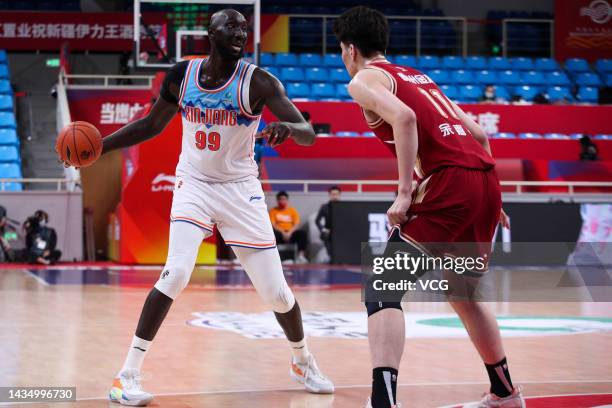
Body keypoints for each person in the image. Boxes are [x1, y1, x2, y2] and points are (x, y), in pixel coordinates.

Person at [58, 9, 334, 406]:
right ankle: (127, 375)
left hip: (241, 190)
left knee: (276, 294)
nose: (240, 33)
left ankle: (302, 359)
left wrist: (289, 129)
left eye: (244, 28)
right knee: (176, 273)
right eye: (232, 27)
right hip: (194, 185)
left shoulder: (259, 81)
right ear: (211, 33)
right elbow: (151, 125)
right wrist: (100, 145)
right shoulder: (182, 76)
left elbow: (309, 132)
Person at [333, 7, 522, 408]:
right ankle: (505, 393)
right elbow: (478, 136)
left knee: (382, 290)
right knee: (464, 294)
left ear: (349, 49)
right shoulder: (419, 76)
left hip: (450, 183)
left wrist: (404, 192)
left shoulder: (364, 78)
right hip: (483, 181)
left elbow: (403, 118)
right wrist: (494, 200)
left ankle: (383, 402)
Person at [269, 191, 309, 263]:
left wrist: (290, 233)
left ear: (287, 200)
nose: (282, 201)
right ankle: (274, 257)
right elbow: (273, 225)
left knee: (302, 233)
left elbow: (296, 224)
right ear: (277, 200)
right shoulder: (273, 211)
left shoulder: (292, 210)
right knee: (272, 234)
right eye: (280, 199)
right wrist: (283, 233)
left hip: (291, 233)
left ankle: (301, 256)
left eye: (284, 199)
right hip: (280, 234)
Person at [315, 186, 341, 260]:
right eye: (333, 194)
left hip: (341, 232)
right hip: (328, 232)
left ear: (339, 195)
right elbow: (317, 220)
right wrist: (323, 229)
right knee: (326, 235)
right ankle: (331, 256)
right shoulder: (324, 207)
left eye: (337, 194)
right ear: (330, 195)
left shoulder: (344, 207)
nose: (335, 196)